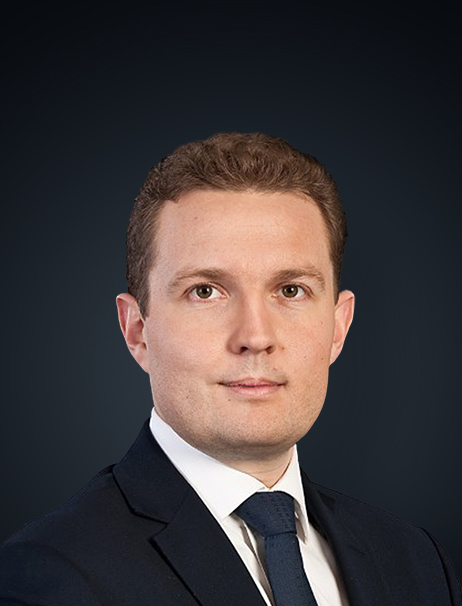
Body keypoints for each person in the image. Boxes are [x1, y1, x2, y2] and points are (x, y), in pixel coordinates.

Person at [0, 133, 460, 606]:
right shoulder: (49, 578)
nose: (255, 336)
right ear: (137, 331)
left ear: (338, 328)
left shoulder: (418, 563)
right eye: (205, 291)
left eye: (291, 290)